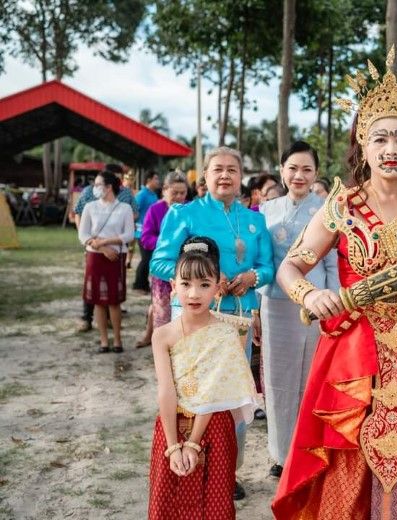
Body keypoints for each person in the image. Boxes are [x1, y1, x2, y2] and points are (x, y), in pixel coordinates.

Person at [272, 51, 397, 519]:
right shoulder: (343, 205)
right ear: (363, 144)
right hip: (353, 348)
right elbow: (289, 268)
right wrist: (312, 294)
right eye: (380, 138)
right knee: (351, 444)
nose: (391, 149)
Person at [151, 146, 274, 501]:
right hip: (192, 317)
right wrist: (205, 278)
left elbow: (268, 267)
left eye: (232, 169)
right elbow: (160, 262)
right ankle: (184, 458)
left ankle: (227, 469)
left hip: (238, 319)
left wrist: (252, 276)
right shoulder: (184, 213)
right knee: (189, 392)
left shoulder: (255, 220)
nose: (225, 175)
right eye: (217, 169)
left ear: (241, 176)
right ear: (204, 175)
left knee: (230, 395)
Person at [148, 236, 259, 520]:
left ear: (218, 288)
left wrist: (194, 442)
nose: (194, 293)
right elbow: (166, 390)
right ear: (173, 286)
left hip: (214, 428)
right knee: (168, 501)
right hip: (171, 425)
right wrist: (173, 446)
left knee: (214, 504)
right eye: (186, 284)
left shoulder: (225, 333)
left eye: (204, 285)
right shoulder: (162, 335)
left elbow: (213, 393)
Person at [259, 141, 340, 479]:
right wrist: (257, 305)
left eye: (307, 169)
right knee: (277, 379)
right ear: (282, 171)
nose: (299, 175)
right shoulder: (265, 210)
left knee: (311, 378)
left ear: (316, 173)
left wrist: (334, 305)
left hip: (315, 305)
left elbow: (333, 264)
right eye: (292, 168)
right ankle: (280, 454)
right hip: (275, 303)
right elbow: (263, 261)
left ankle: (307, 450)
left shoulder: (327, 210)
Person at [74, 167, 138, 333]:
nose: (95, 187)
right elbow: (81, 227)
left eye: (98, 184)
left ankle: (115, 333)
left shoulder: (125, 200)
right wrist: (99, 246)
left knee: (114, 297)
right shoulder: (89, 199)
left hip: (117, 254)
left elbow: (131, 228)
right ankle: (88, 321)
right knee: (95, 294)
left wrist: (108, 238)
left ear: (110, 186)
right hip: (95, 251)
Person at [134, 172, 189, 348]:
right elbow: (146, 237)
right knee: (162, 314)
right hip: (163, 272)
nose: (179, 197)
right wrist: (168, 243)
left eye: (182, 193)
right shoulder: (155, 210)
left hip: (186, 272)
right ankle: (161, 349)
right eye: (175, 192)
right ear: (165, 190)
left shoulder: (190, 210)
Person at [133, 171, 161, 294]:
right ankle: (138, 284)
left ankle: (144, 284)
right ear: (149, 180)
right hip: (142, 233)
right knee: (145, 259)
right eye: (156, 179)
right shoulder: (142, 194)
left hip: (152, 233)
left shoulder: (153, 195)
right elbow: (134, 210)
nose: (158, 181)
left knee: (149, 259)